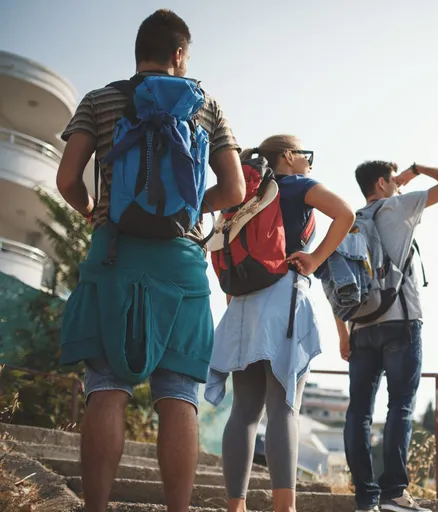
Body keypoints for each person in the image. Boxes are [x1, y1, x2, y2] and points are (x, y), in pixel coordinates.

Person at [55, 10, 245, 512]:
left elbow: (67, 179)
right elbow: (235, 189)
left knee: (107, 387)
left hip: (114, 253)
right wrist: (188, 209)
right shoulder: (205, 106)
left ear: (138, 51)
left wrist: (94, 210)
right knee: (178, 394)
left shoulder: (99, 100)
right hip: (180, 264)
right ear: (179, 54)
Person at [204, 135, 355, 512]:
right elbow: (345, 213)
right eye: (306, 155)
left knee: (244, 412)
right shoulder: (298, 185)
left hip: (242, 306)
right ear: (287, 156)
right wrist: (316, 259)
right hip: (282, 299)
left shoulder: (245, 195)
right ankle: (283, 507)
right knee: (284, 407)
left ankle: (235, 507)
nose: (308, 162)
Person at [338, 160, 438, 512]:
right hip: (399, 323)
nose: (399, 184)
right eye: (393, 180)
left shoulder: (349, 221)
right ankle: (394, 493)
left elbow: (337, 281)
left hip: (360, 328)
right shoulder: (397, 206)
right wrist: (416, 169)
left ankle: (365, 497)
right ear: (381, 182)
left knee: (358, 412)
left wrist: (344, 333)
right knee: (400, 407)